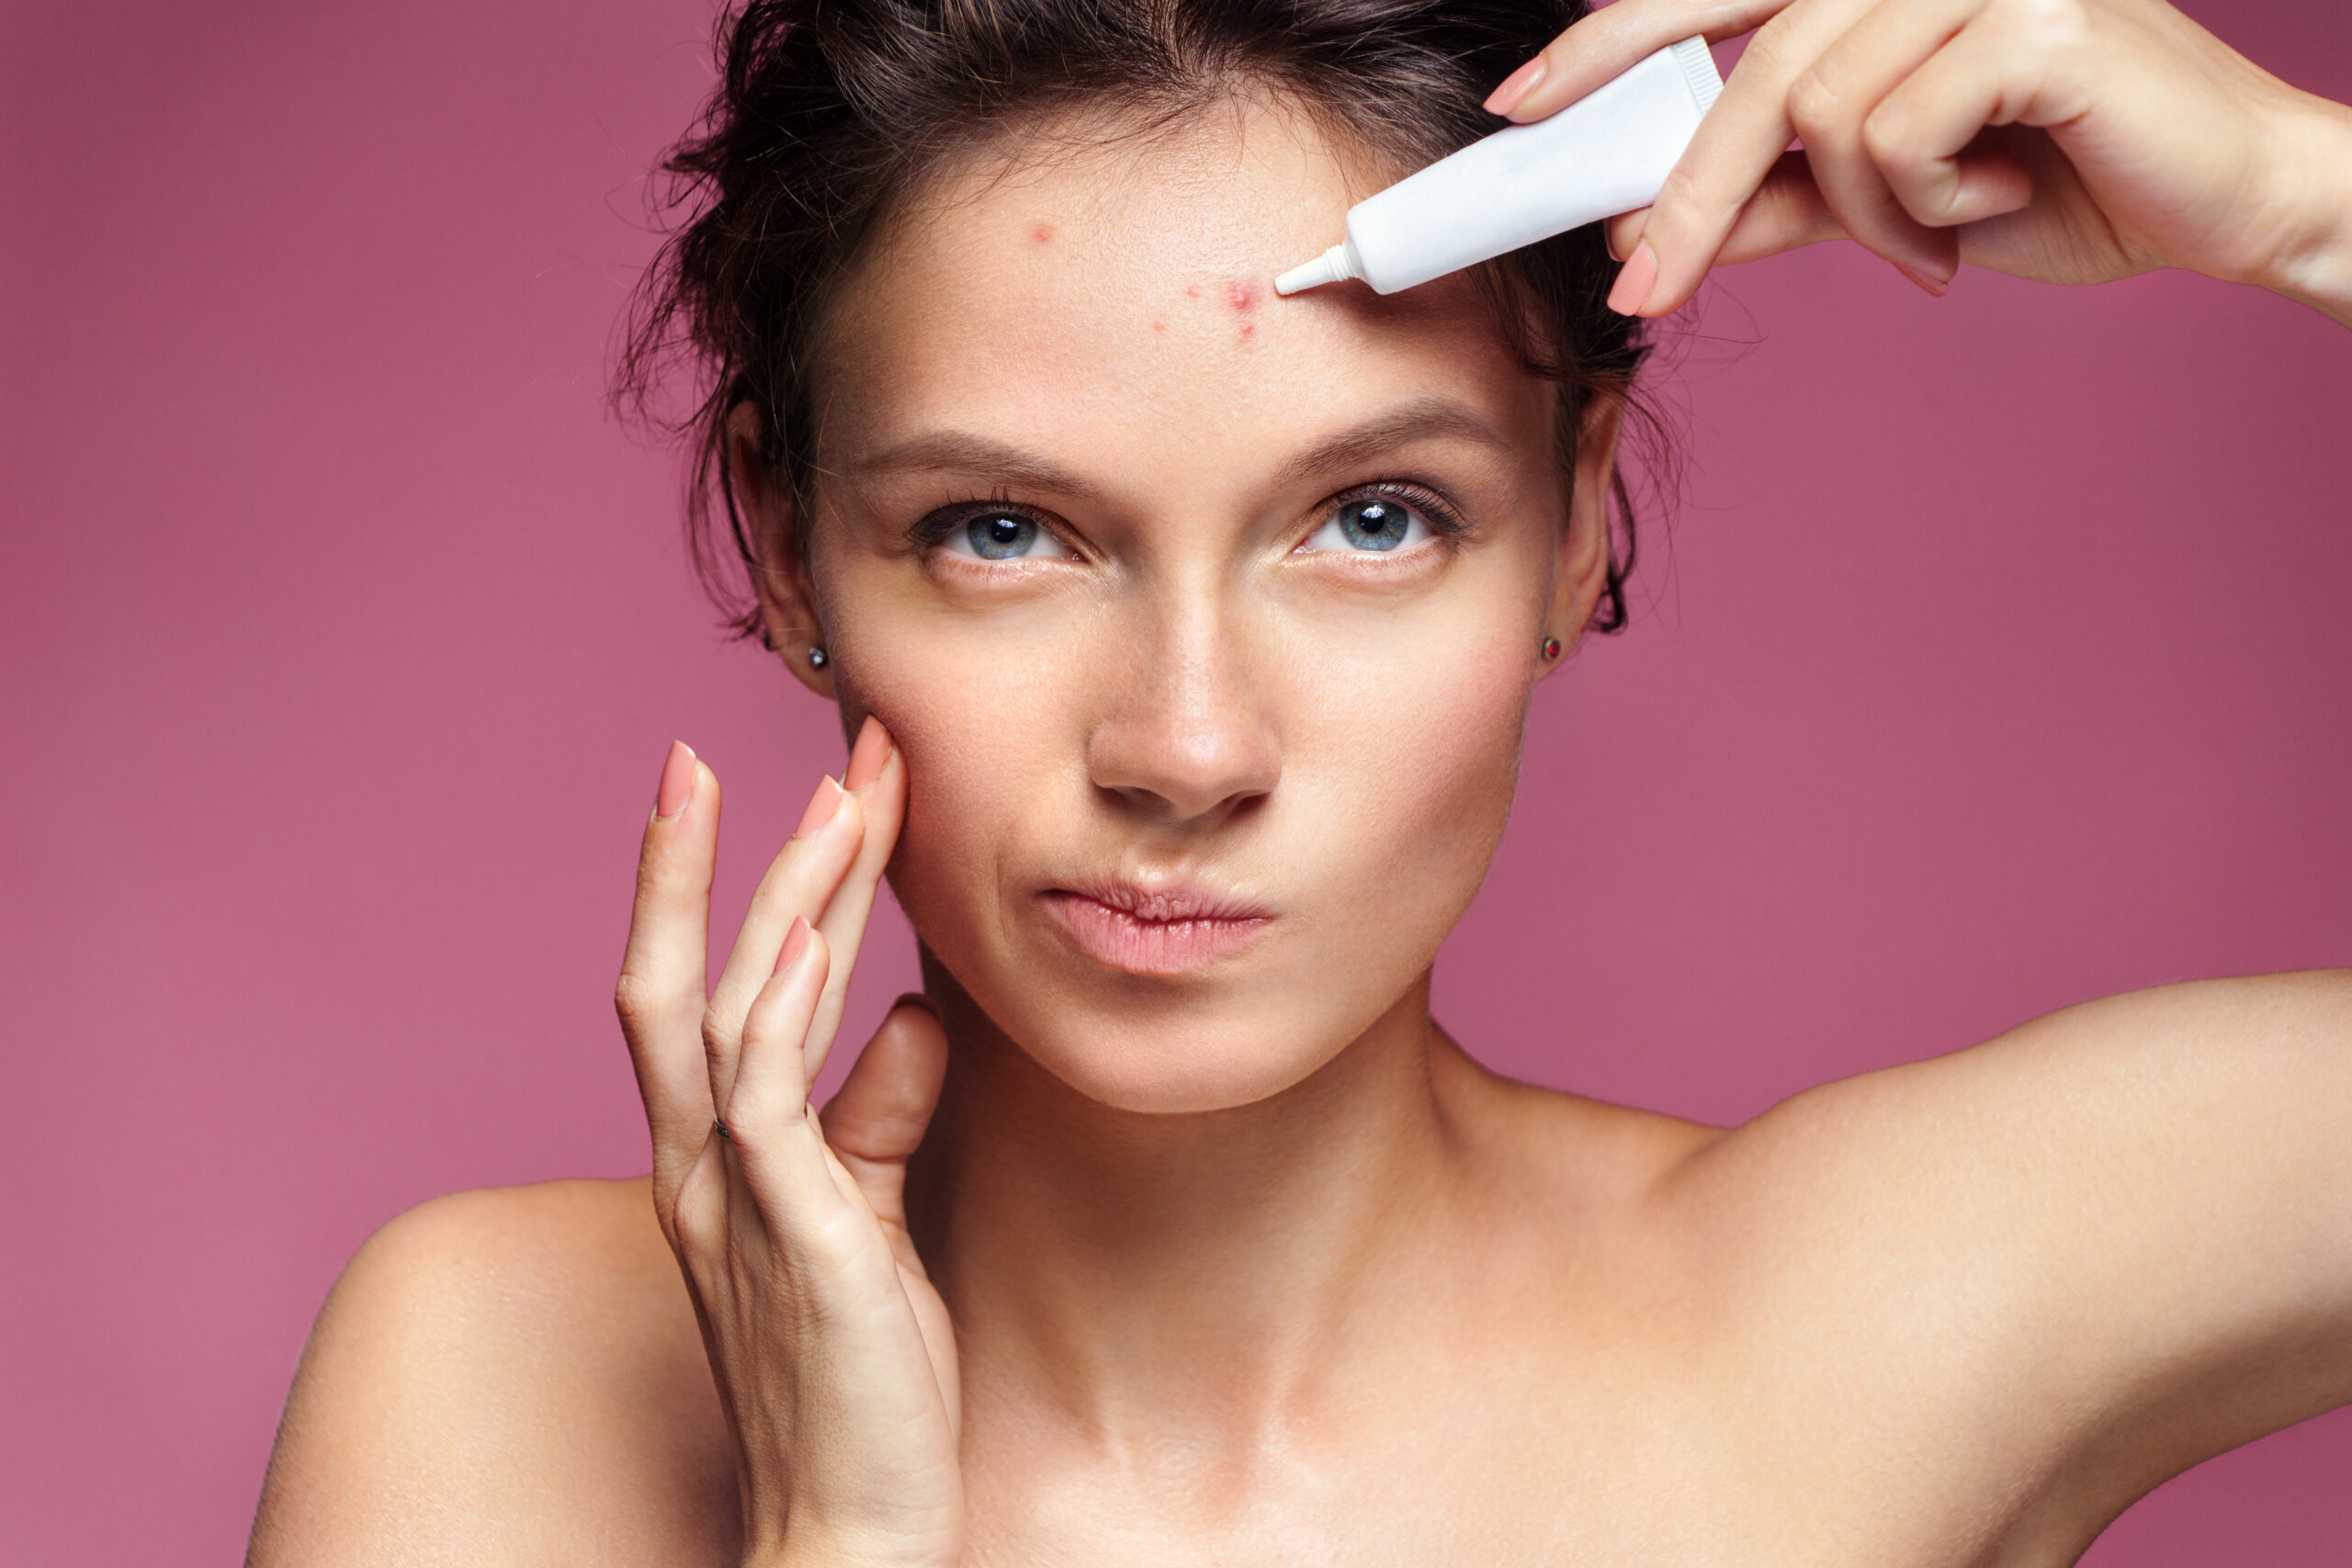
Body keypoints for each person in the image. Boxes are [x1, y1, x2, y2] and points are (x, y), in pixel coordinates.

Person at [245, 0, 2352, 1562]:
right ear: (790, 541)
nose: (1184, 745)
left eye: (1367, 520)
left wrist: (2303, 198)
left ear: (1579, 526)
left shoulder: (1895, 1305)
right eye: (1001, 528)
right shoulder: (496, 1389)